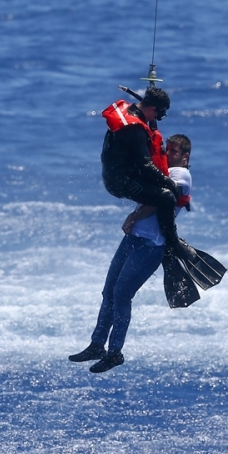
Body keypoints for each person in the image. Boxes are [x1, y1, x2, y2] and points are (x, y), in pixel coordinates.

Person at [70, 135, 193, 373]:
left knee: (121, 294)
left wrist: (134, 216)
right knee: (108, 292)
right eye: (168, 150)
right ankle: (97, 345)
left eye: (175, 152)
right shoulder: (165, 169)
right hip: (132, 239)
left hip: (151, 245)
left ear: (186, 157)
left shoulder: (182, 176)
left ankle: (115, 352)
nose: (169, 154)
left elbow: (157, 200)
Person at [99, 87, 192, 263]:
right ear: (152, 109)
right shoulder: (135, 130)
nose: (156, 119)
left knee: (159, 187)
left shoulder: (127, 111)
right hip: (120, 183)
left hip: (114, 174)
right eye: (158, 115)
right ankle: (172, 243)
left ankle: (162, 233)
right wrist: (171, 184)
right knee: (166, 197)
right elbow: (146, 166)